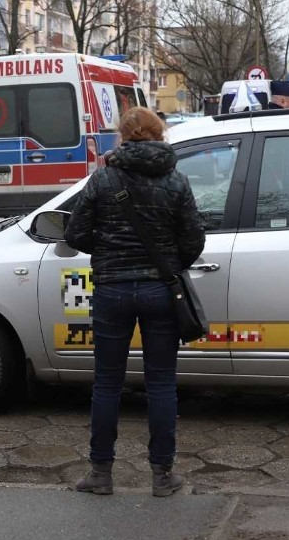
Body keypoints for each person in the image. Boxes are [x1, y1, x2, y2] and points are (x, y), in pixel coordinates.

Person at [64, 107, 205, 497]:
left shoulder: (103, 179)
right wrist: (168, 263)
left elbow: (76, 233)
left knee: (107, 384)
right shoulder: (176, 181)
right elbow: (194, 239)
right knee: (161, 382)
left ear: (122, 136)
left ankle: (101, 474)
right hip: (161, 291)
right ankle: (163, 476)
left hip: (112, 290)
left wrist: (108, 252)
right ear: (160, 136)